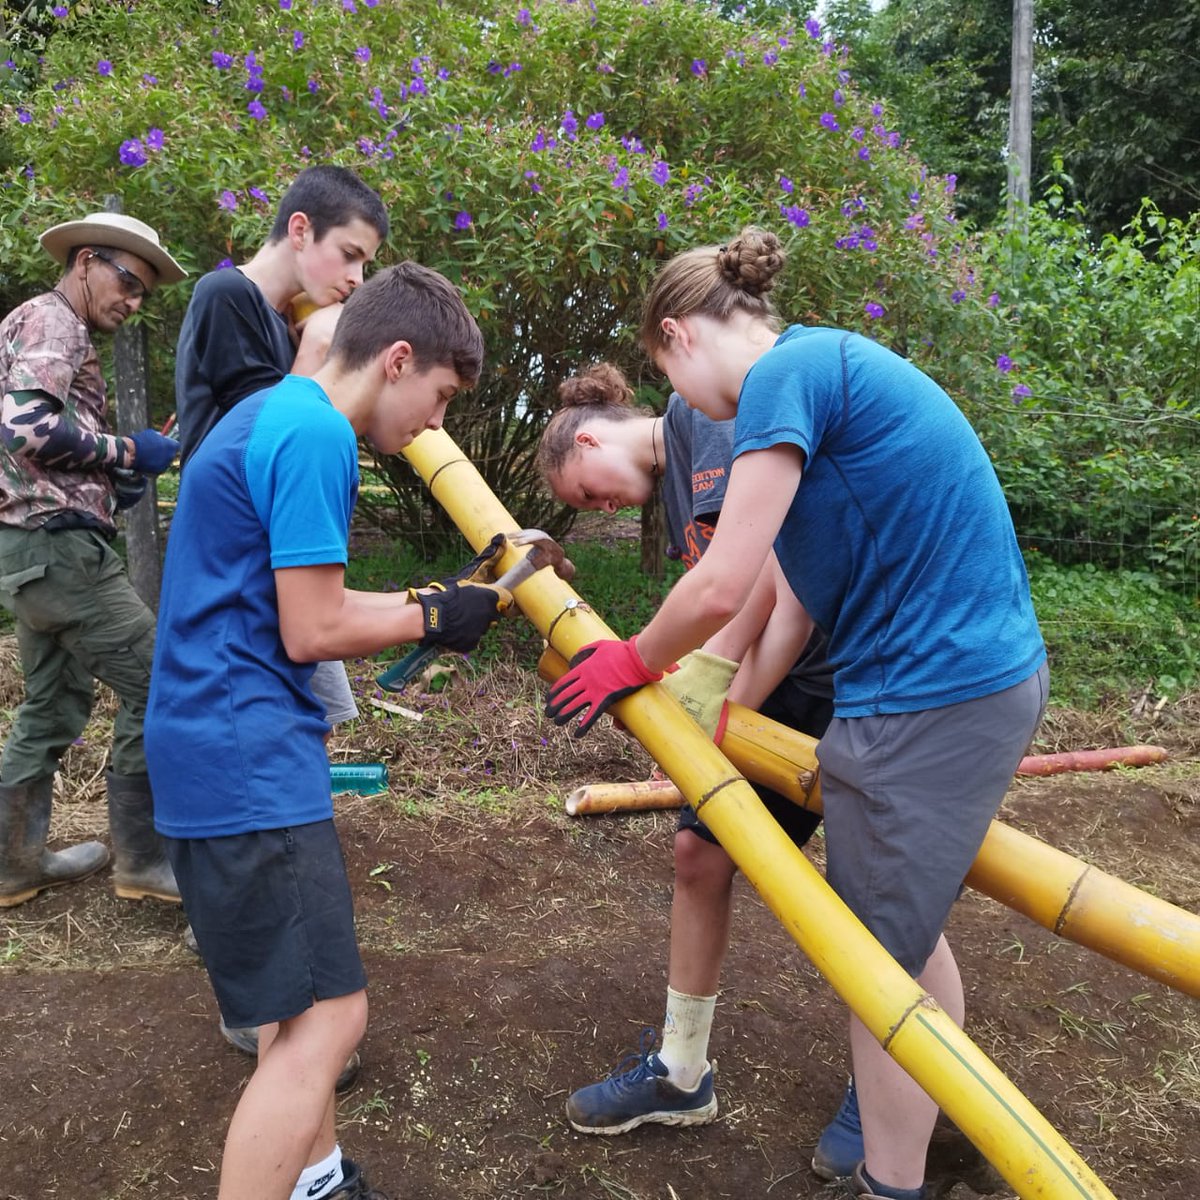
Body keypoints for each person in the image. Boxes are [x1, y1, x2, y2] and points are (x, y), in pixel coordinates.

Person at [546, 228, 1048, 1200]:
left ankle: (888, 1183)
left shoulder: (788, 377)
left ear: (678, 337)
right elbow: (794, 594)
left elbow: (724, 582)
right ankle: (956, 1115)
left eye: (670, 380)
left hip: (935, 694)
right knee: (896, 929)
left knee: (874, 967)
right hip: (917, 689)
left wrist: (629, 661)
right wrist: (719, 696)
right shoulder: (819, 379)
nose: (687, 411)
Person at [145, 261, 511, 1200]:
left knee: (290, 1003)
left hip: (210, 743)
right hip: (247, 754)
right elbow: (316, 631)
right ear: (396, 359)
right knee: (331, 1022)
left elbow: (309, 603)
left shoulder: (269, 413)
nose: (434, 424)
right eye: (437, 397)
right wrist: (438, 616)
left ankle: (318, 1180)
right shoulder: (317, 435)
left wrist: (441, 599)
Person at [536, 365, 865, 1177]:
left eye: (587, 493)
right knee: (699, 853)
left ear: (588, 436)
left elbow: (756, 583)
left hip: (836, 680)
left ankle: (896, 1086)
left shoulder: (705, 422)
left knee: (876, 889)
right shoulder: (682, 469)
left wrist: (713, 707)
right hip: (772, 686)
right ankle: (683, 1071)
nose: (601, 510)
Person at [174, 164, 389, 1065]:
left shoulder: (271, 320)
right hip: (238, 572)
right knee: (270, 724)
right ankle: (264, 990)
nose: (354, 280)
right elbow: (271, 425)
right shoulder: (231, 297)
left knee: (315, 715)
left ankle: (278, 943)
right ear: (297, 229)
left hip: (260, 567)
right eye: (349, 255)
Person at [0, 211, 186, 909]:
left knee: (49, 708)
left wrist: (112, 480)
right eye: (128, 281)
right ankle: (143, 860)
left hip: (29, 552)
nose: (133, 301)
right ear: (85, 261)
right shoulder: (56, 323)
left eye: (142, 293)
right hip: (62, 553)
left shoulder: (32, 322)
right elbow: (24, 427)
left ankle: (15, 866)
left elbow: (35, 446)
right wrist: (129, 452)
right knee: (162, 680)